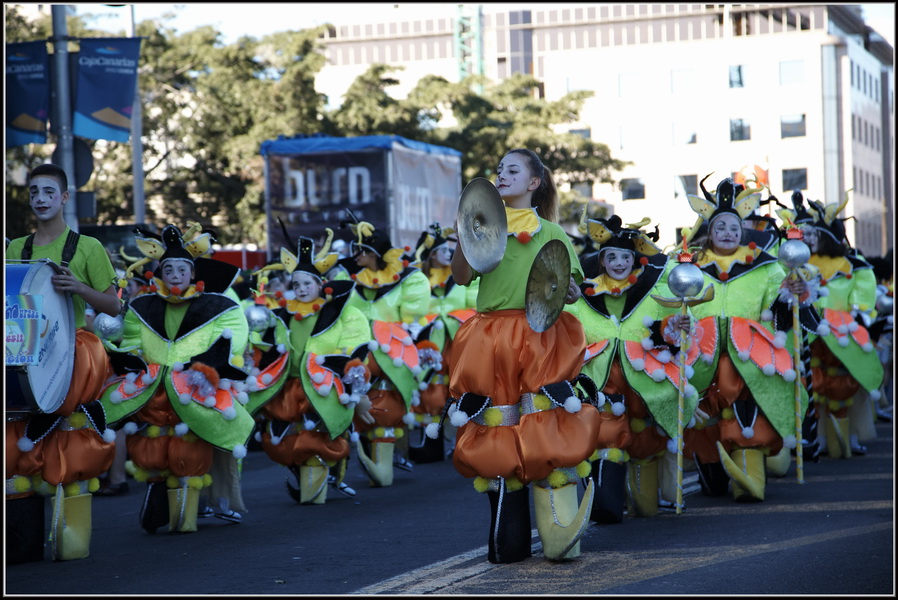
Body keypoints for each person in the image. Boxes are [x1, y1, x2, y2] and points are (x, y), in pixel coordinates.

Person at [436, 148, 602, 563]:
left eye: (513, 170)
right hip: (490, 337)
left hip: (541, 334)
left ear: (534, 183)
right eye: (499, 169)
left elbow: (570, 287)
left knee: (544, 419)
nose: (501, 174)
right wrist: (464, 237)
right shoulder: (482, 227)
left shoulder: (552, 232)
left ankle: (560, 535)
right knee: (498, 423)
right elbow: (459, 277)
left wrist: (569, 291)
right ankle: (507, 539)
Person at [96, 222, 254, 534]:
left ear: (193, 273)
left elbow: (234, 334)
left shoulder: (218, 305)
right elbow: (131, 339)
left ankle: (192, 512)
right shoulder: (142, 306)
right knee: (153, 448)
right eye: (169, 269)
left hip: (197, 386)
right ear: (161, 274)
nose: (176, 275)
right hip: (154, 392)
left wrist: (208, 363)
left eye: (182, 269)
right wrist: (129, 357)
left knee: (191, 448)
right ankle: (163, 499)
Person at [566, 213, 715, 521]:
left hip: (646, 390)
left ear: (634, 259)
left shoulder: (652, 292)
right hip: (603, 390)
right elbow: (567, 332)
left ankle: (648, 490)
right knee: (607, 444)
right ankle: (608, 500)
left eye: (625, 256)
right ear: (602, 261)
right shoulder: (583, 295)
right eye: (612, 257)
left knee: (646, 492)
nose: (619, 263)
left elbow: (665, 332)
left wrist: (676, 325)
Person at [6, 163, 120, 562]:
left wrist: (77, 288)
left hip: (72, 355)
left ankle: (71, 540)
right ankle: (22, 541)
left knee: (69, 440)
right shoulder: (16, 247)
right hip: (22, 354)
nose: (40, 198)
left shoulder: (87, 247)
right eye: (34, 191)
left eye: (48, 192)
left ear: (65, 198)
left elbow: (115, 304)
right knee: (16, 442)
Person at [681, 175, 812, 503]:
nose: (727, 233)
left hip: (749, 355)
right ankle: (711, 464)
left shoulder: (764, 266)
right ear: (709, 232)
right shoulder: (688, 268)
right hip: (702, 355)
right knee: (704, 413)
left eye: (734, 228)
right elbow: (667, 303)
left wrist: (792, 292)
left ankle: (749, 473)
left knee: (746, 408)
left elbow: (780, 301)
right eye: (720, 227)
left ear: (743, 233)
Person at [256, 230, 373, 503]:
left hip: (323, 384)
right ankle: (304, 473)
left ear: (320, 285)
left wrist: (349, 378)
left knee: (321, 433)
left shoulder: (340, 313)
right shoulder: (283, 314)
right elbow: (269, 344)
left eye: (307, 283)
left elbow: (353, 347)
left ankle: (326, 475)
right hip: (289, 385)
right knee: (279, 438)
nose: (301, 289)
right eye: (296, 284)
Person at [341, 214, 432, 487]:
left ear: (373, 254)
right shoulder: (353, 281)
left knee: (387, 404)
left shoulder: (409, 280)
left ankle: (385, 462)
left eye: (361, 251)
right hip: (356, 353)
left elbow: (412, 320)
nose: (355, 256)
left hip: (392, 355)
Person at [800, 192, 883, 459]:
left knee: (844, 384)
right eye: (808, 235)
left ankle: (849, 436)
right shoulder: (800, 265)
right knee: (814, 383)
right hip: (810, 332)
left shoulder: (853, 266)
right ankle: (821, 437)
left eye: (815, 235)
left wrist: (859, 318)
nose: (809, 239)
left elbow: (862, 301)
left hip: (843, 332)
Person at [405, 222, 479, 463]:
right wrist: (431, 321)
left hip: (458, 339)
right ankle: (432, 444)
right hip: (431, 342)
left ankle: (463, 442)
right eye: (441, 250)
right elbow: (412, 309)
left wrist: (449, 318)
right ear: (430, 254)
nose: (448, 253)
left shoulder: (461, 273)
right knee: (431, 391)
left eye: (449, 250)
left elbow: (475, 303)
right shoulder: (419, 279)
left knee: (460, 388)